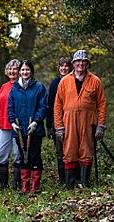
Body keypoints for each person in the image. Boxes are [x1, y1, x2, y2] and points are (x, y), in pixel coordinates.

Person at [54, 49, 107, 190]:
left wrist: (101, 126)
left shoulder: (95, 81)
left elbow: (102, 104)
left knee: (86, 151)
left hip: (88, 122)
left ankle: (84, 183)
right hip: (68, 121)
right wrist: (58, 127)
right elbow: (57, 105)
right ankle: (69, 184)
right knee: (69, 151)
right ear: (73, 63)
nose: (81, 64)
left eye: (83, 61)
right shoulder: (64, 81)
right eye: (78, 61)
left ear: (87, 63)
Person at [8, 60, 48, 193]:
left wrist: (36, 121)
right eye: (23, 70)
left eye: (27, 70)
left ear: (31, 71)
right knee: (23, 156)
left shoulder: (39, 87)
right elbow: (11, 108)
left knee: (35, 155)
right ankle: (25, 187)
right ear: (19, 72)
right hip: (20, 129)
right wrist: (12, 122)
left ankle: (35, 186)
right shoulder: (15, 89)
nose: (25, 72)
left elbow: (43, 107)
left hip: (35, 129)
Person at [0, 59, 21, 190]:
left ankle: (17, 183)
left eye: (15, 69)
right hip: (4, 126)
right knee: (1, 154)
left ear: (19, 71)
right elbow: (0, 109)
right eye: (10, 69)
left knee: (18, 154)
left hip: (18, 126)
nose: (12, 71)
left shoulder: (22, 86)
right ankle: (3, 184)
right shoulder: (4, 87)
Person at [46, 57, 72, 185]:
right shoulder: (55, 83)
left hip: (72, 122)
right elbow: (50, 105)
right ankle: (62, 178)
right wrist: (49, 126)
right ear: (58, 68)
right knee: (60, 151)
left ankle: (73, 177)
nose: (64, 68)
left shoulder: (75, 81)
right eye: (61, 66)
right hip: (57, 123)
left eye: (66, 66)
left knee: (72, 150)